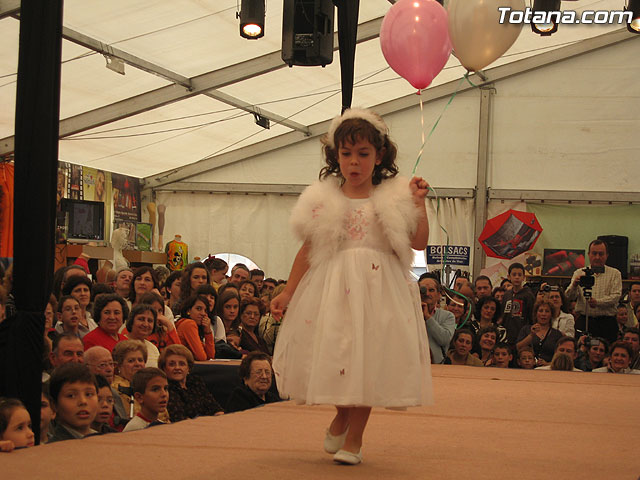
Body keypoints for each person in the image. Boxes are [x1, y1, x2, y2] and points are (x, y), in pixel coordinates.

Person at [270, 108, 432, 465]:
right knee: (336, 355)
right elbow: (308, 249)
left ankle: (355, 439)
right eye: (346, 154)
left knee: (369, 359)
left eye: (363, 154)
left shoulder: (393, 197)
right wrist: (288, 291)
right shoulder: (322, 199)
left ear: (380, 156)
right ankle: (342, 412)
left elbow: (418, 243)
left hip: (379, 288)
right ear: (335, 156)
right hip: (332, 287)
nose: (354, 163)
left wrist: (419, 206)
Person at [565, 239, 622, 344]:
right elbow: (568, 297)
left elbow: (616, 297)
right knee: (582, 353)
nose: (597, 257)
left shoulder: (615, 274)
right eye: (594, 253)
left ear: (607, 255)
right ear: (588, 254)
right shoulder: (579, 272)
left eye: (601, 254)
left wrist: (598, 302)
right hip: (584, 321)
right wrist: (574, 285)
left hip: (606, 323)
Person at [159, 344, 224, 422]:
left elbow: (214, 407)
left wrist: (221, 419)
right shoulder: (165, 388)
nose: (177, 368)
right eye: (172, 364)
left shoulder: (195, 381)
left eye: (182, 364)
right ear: (164, 368)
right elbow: (179, 418)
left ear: (188, 367)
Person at [48, 363, 99, 442]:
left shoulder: (102, 439)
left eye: (89, 394)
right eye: (71, 396)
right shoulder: (54, 448)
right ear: (54, 405)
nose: (83, 401)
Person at [516, 300, 564, 366]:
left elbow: (560, 358)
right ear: (536, 313)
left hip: (549, 370)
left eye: (547, 311)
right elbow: (518, 347)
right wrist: (531, 335)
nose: (543, 314)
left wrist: (547, 364)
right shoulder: (526, 329)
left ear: (551, 315)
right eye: (540, 311)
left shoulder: (557, 334)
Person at [420, 276, 455, 364]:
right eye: (423, 290)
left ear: (439, 294)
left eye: (431, 290)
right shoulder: (409, 314)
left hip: (437, 366)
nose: (427, 294)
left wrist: (428, 317)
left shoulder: (448, 316)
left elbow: (444, 339)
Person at [123, 368, 169, 432]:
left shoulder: (161, 425)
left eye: (165, 388)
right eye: (155, 389)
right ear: (139, 397)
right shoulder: (134, 429)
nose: (164, 394)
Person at [501, 263, 535, 348]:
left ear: (523, 277)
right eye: (514, 274)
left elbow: (531, 317)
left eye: (519, 275)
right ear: (509, 277)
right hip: (507, 335)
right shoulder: (506, 295)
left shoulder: (528, 295)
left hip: (522, 335)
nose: (517, 277)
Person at [111, 339, 147, 420]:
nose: (137, 364)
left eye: (140, 360)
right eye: (131, 361)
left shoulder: (147, 385)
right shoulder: (116, 388)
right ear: (119, 365)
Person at [175, 295, 216, 361]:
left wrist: (207, 331)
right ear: (188, 311)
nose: (203, 313)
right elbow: (201, 357)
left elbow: (210, 356)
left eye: (205, 310)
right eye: (198, 309)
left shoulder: (192, 325)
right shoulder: (189, 324)